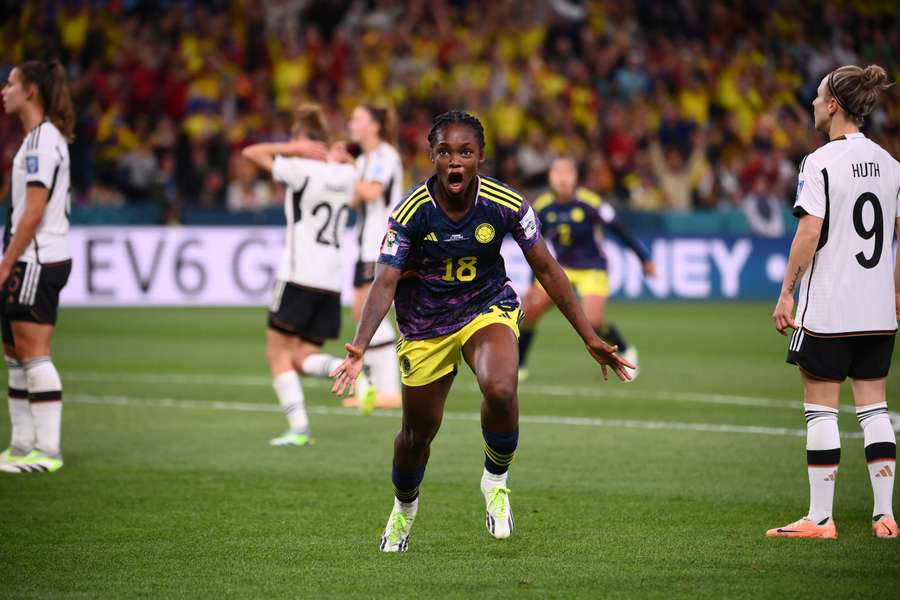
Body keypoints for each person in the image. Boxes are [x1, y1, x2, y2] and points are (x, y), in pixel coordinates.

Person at [329, 111, 635, 552]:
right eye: (445, 152)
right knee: (417, 434)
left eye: (465, 152)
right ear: (433, 158)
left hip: (485, 308)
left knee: (501, 388)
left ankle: (495, 480)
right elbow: (385, 281)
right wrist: (359, 346)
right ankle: (404, 509)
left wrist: (588, 335)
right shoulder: (411, 212)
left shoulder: (506, 203)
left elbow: (547, 268)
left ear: (480, 158)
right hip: (424, 324)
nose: (455, 161)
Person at [770, 65, 897, 539]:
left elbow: (809, 231)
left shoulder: (820, 162)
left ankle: (819, 519)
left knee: (821, 407)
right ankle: (885, 517)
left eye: (817, 96)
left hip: (830, 306)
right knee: (875, 408)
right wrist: (898, 292)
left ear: (833, 106)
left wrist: (786, 291)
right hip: (879, 309)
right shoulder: (890, 164)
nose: (812, 103)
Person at [242, 103, 374, 446]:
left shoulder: (300, 168)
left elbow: (251, 153)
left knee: (277, 354)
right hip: (331, 279)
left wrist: (291, 150)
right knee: (302, 358)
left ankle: (299, 428)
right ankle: (360, 378)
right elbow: (365, 196)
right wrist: (351, 163)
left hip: (298, 275)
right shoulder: (345, 176)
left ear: (304, 140)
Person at [0, 61, 74, 473]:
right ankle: (21, 445)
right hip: (31, 257)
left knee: (33, 353)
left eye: (10, 83)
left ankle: (47, 452)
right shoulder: (39, 138)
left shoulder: (43, 141)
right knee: (14, 351)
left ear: (30, 91)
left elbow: (34, 210)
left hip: (37, 257)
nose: (3, 90)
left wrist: (7, 261)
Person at [518, 156, 654, 381]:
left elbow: (619, 230)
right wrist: (533, 282)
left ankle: (627, 348)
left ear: (576, 178)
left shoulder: (591, 202)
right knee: (530, 310)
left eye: (567, 173)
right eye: (557, 173)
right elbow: (534, 247)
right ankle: (520, 366)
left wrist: (644, 259)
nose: (562, 179)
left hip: (593, 268)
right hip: (562, 268)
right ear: (550, 177)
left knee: (593, 323)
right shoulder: (542, 206)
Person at [345, 104, 403, 409]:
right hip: (365, 245)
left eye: (357, 118)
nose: (351, 123)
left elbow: (371, 192)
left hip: (380, 244)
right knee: (361, 313)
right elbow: (354, 200)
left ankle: (388, 390)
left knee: (371, 312)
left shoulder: (384, 155)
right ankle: (380, 388)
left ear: (374, 126)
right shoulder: (366, 159)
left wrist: (345, 168)